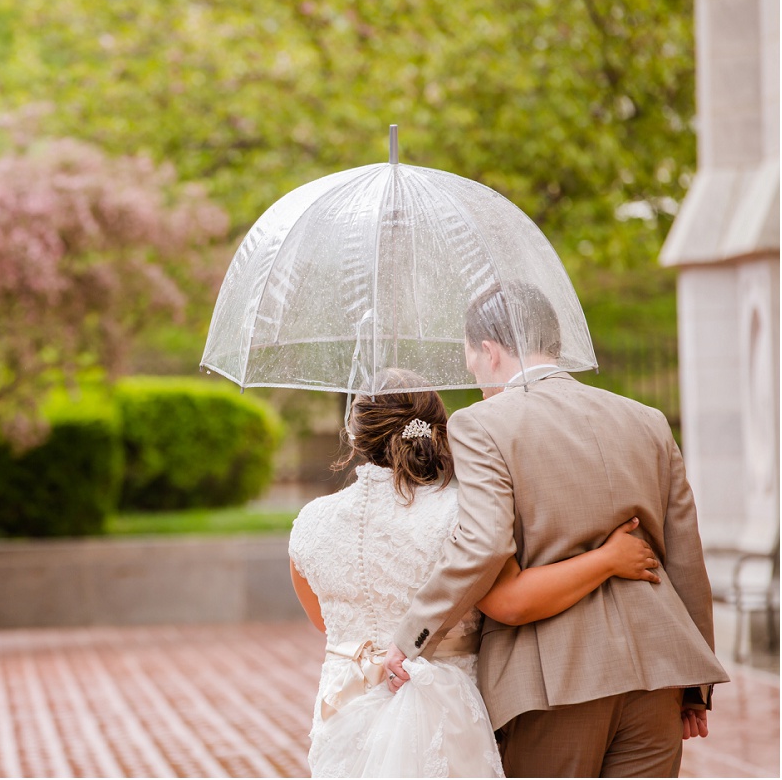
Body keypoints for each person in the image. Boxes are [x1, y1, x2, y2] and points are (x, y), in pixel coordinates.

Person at [382, 282, 730, 777]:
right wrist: (696, 686)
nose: (478, 378)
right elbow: (686, 560)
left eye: (474, 364)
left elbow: (484, 545)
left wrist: (412, 635)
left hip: (552, 680)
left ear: (489, 349)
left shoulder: (480, 424)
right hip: (660, 674)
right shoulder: (648, 421)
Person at [288, 368, 662, 777]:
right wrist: (607, 558)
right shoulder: (464, 512)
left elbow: (324, 622)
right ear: (435, 427)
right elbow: (510, 600)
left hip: (346, 708)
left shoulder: (310, 522)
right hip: (444, 706)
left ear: (355, 435)